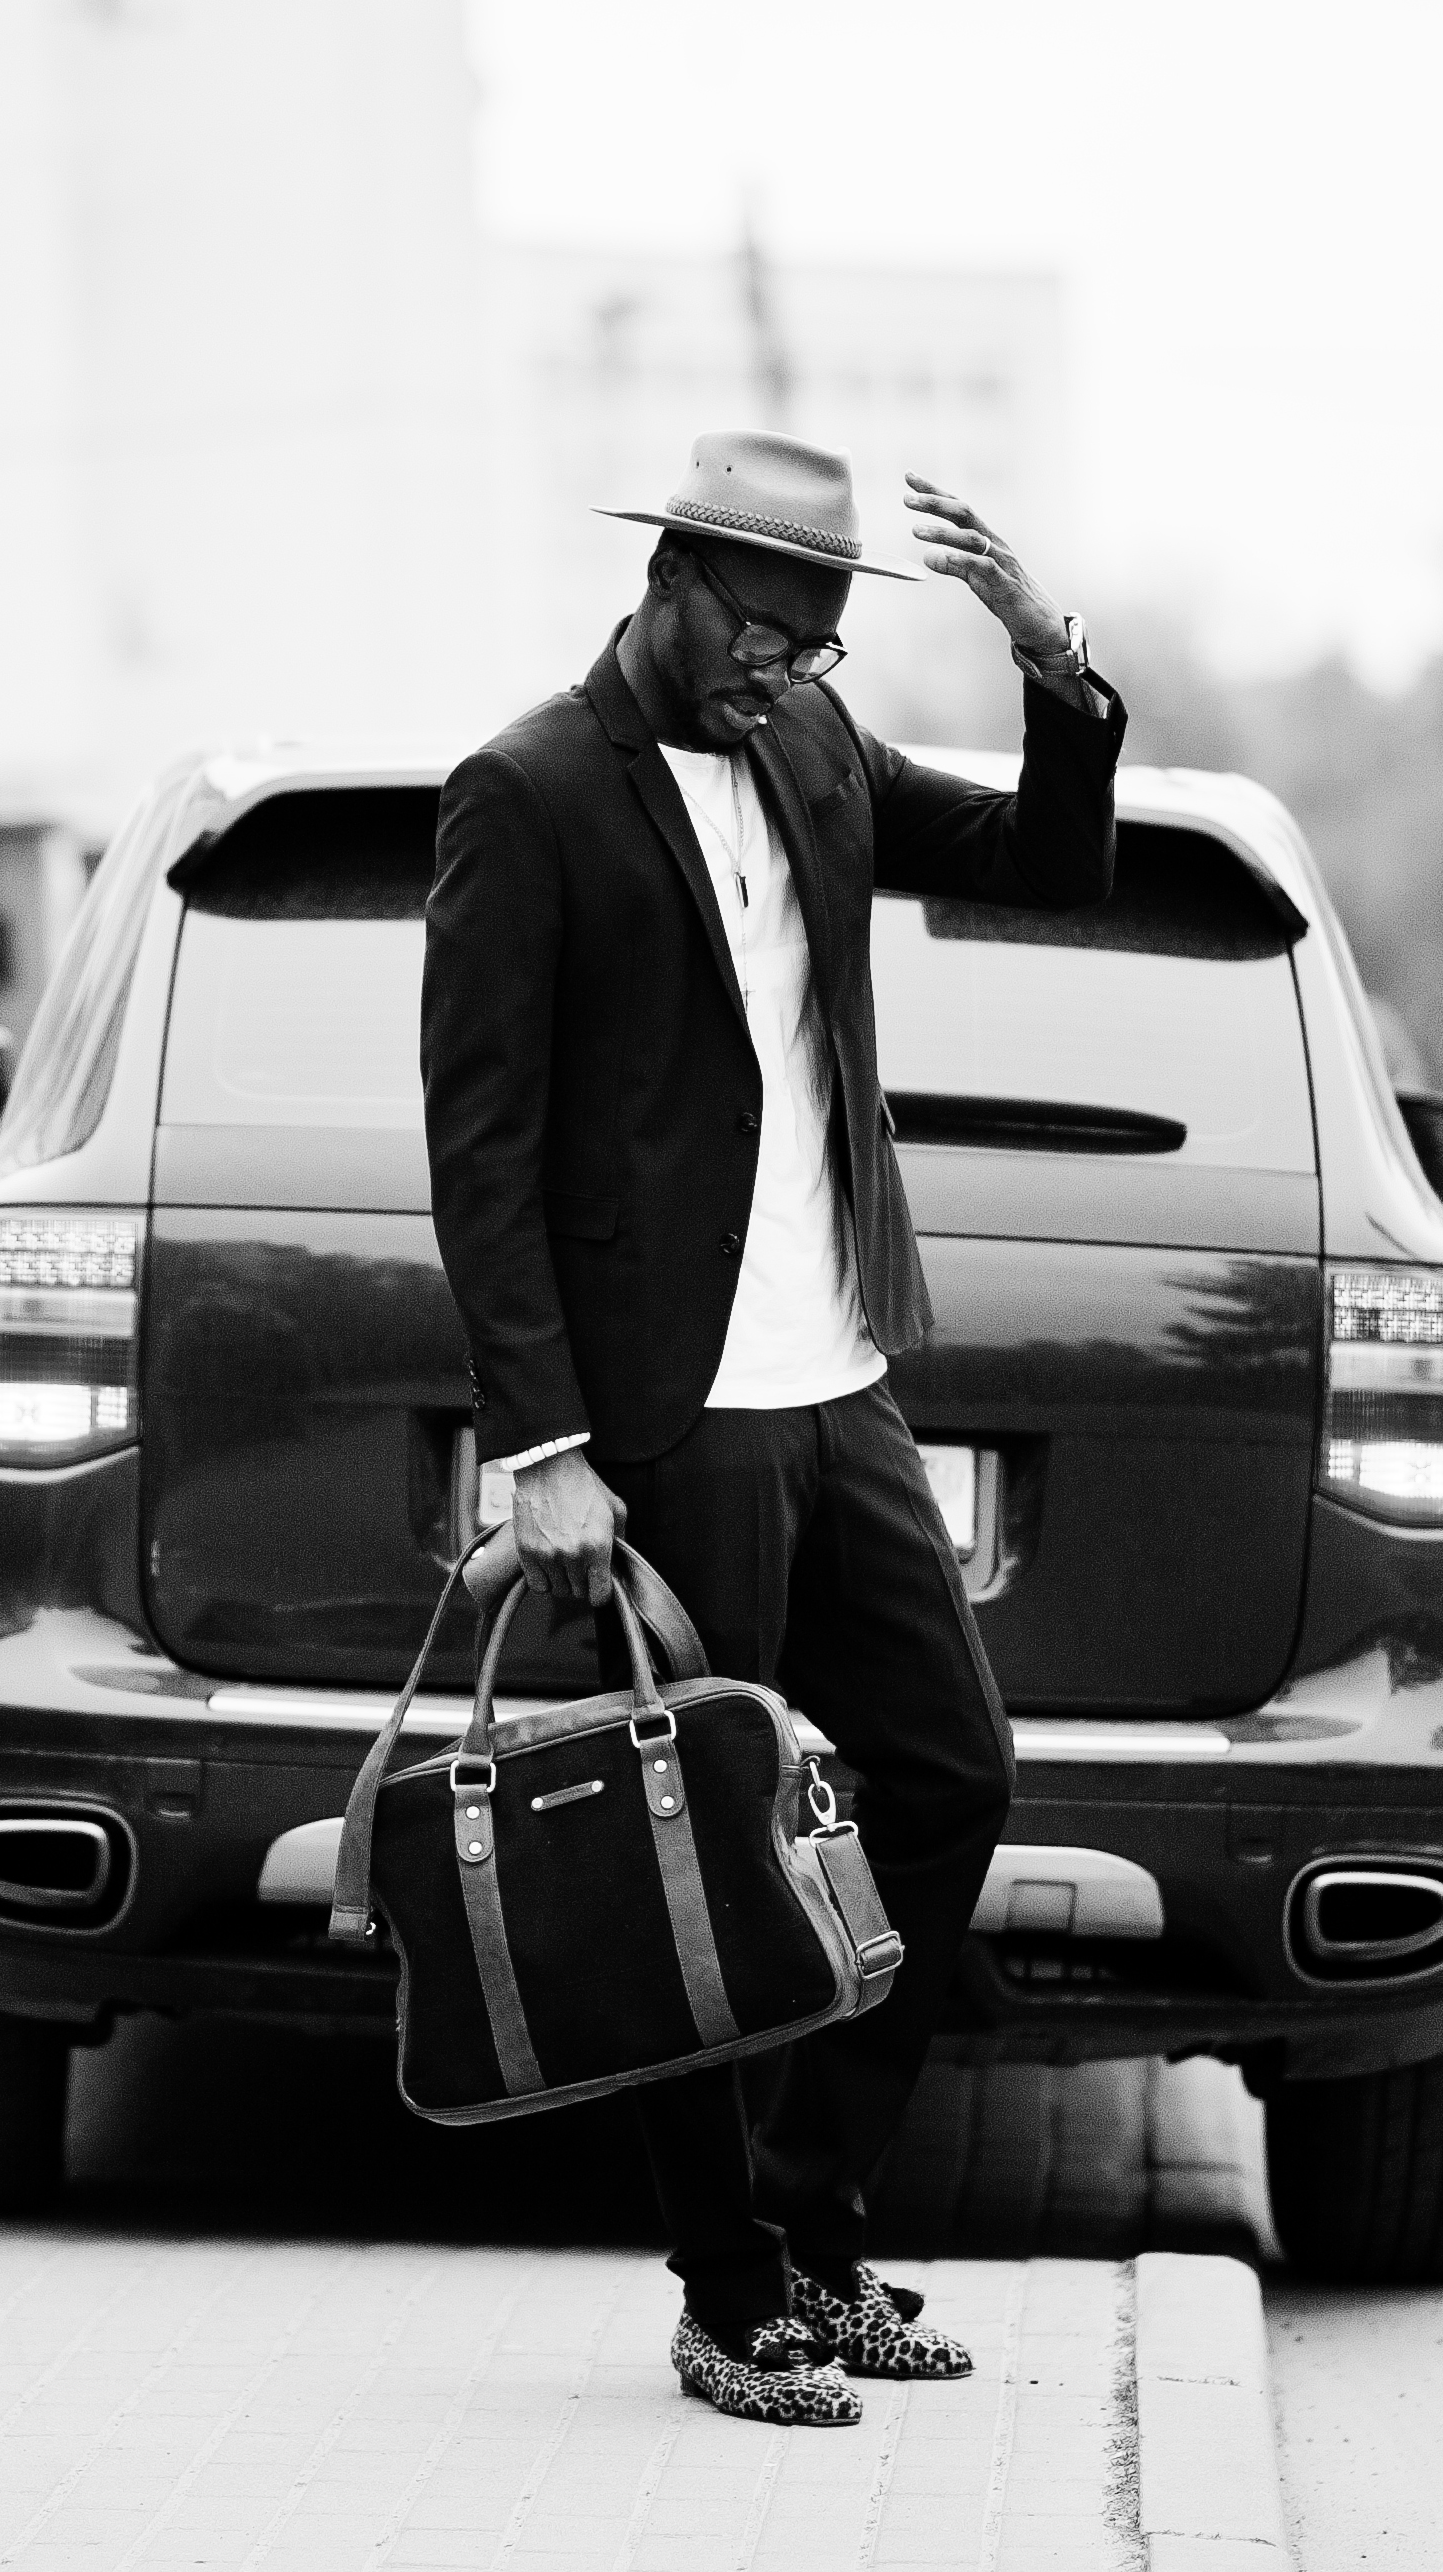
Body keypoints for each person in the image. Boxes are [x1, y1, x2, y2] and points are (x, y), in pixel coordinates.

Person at [420, 430, 1124, 2427]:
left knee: (945, 1775)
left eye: (817, 645)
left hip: (833, 1380)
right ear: (668, 582)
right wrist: (539, 1438)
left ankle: (810, 2229)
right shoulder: (528, 793)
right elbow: (481, 1150)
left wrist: (1048, 671)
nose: (786, 671)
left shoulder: (811, 759)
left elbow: (1044, 869)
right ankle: (727, 2292)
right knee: (689, 1858)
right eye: (760, 632)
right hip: (670, 1419)